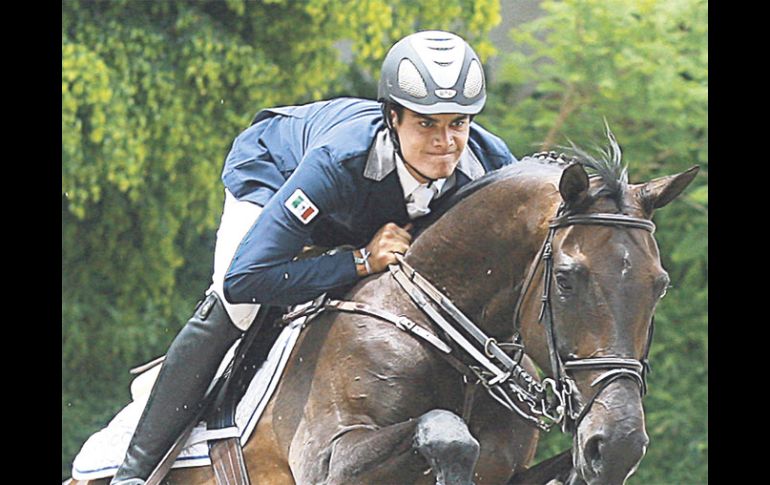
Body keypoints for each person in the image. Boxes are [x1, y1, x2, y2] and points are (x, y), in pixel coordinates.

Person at [111, 30, 518, 484]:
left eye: (457, 123)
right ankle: (135, 470)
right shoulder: (337, 160)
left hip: (369, 210)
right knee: (237, 306)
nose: (446, 142)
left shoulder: (489, 163)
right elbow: (245, 278)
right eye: (426, 124)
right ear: (393, 117)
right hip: (276, 177)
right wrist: (360, 262)